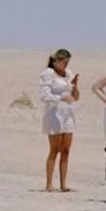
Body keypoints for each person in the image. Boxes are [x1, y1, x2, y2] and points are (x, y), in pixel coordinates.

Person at [38, 49, 80, 190]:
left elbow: (75, 96)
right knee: (54, 149)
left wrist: (75, 87)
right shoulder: (48, 74)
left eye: (67, 63)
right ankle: (49, 183)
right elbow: (44, 96)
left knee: (65, 150)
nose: (65, 66)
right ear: (56, 61)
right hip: (53, 114)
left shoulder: (68, 74)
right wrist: (60, 98)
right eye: (63, 63)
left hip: (67, 114)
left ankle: (63, 183)